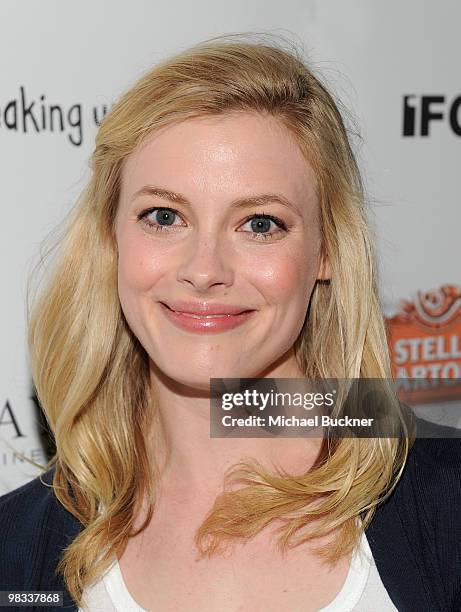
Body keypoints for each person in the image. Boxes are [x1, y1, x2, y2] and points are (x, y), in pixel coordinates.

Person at [0, 34, 460, 612]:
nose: (205, 270)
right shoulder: (15, 551)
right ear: (110, 238)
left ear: (328, 251)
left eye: (260, 224)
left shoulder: (447, 506)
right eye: (163, 216)